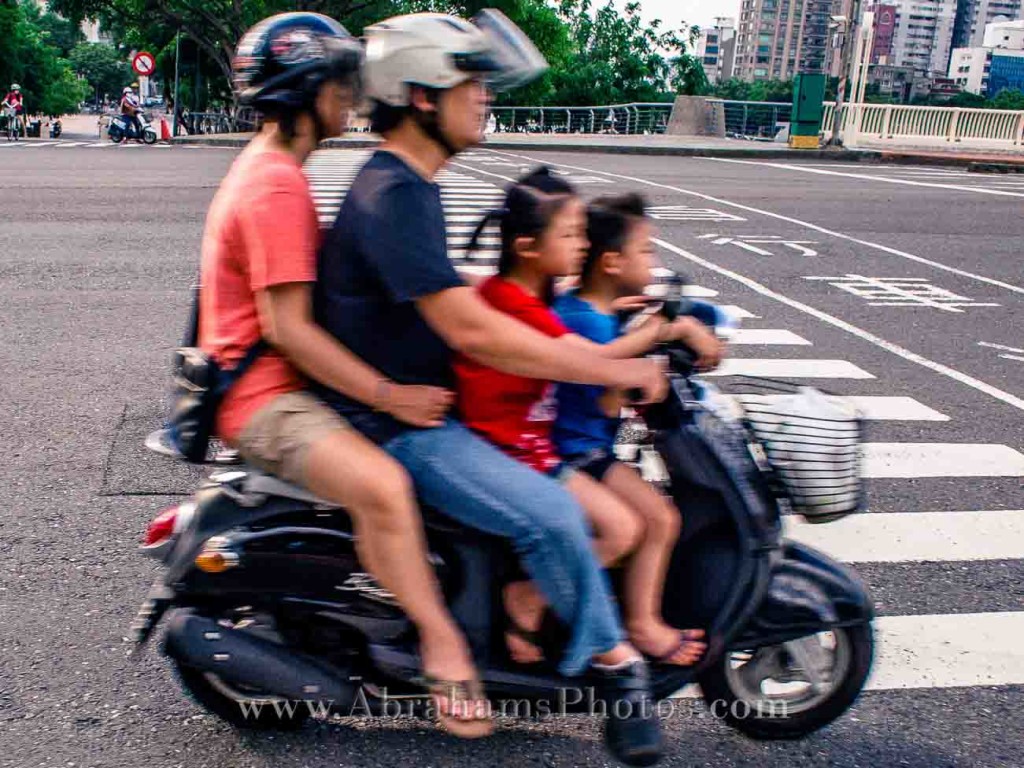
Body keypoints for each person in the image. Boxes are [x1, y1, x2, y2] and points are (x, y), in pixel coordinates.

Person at [313, 11, 667, 762]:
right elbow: (474, 334)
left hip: (423, 405)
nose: (483, 97)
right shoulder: (396, 194)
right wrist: (614, 367)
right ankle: (618, 665)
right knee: (554, 516)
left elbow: (447, 295)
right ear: (419, 97)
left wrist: (608, 324)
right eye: (467, 82)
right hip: (400, 426)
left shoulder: (407, 187)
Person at [198, 13, 492, 738]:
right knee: (386, 484)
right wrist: (388, 392)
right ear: (305, 88)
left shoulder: (275, 170)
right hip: (265, 400)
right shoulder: (273, 186)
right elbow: (289, 328)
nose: (353, 96)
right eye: (339, 81)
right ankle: (443, 645)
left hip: (272, 382)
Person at [454, 170, 721, 669]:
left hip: (536, 446)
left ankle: (605, 613)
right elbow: (584, 361)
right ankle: (535, 600)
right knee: (624, 528)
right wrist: (653, 340)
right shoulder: (523, 305)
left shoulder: (538, 297)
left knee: (651, 518)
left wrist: (633, 321)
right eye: (572, 235)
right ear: (531, 247)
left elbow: (573, 324)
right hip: (523, 452)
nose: (584, 245)